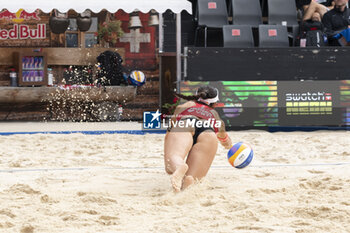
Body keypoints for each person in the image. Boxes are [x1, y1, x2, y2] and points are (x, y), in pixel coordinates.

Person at [163, 86, 232, 192]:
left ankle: (179, 166)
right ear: (214, 103)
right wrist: (230, 146)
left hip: (186, 123)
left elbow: (169, 131)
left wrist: (169, 150)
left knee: (172, 162)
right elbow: (226, 141)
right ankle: (187, 182)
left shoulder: (185, 106)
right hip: (208, 133)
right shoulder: (215, 116)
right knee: (191, 182)